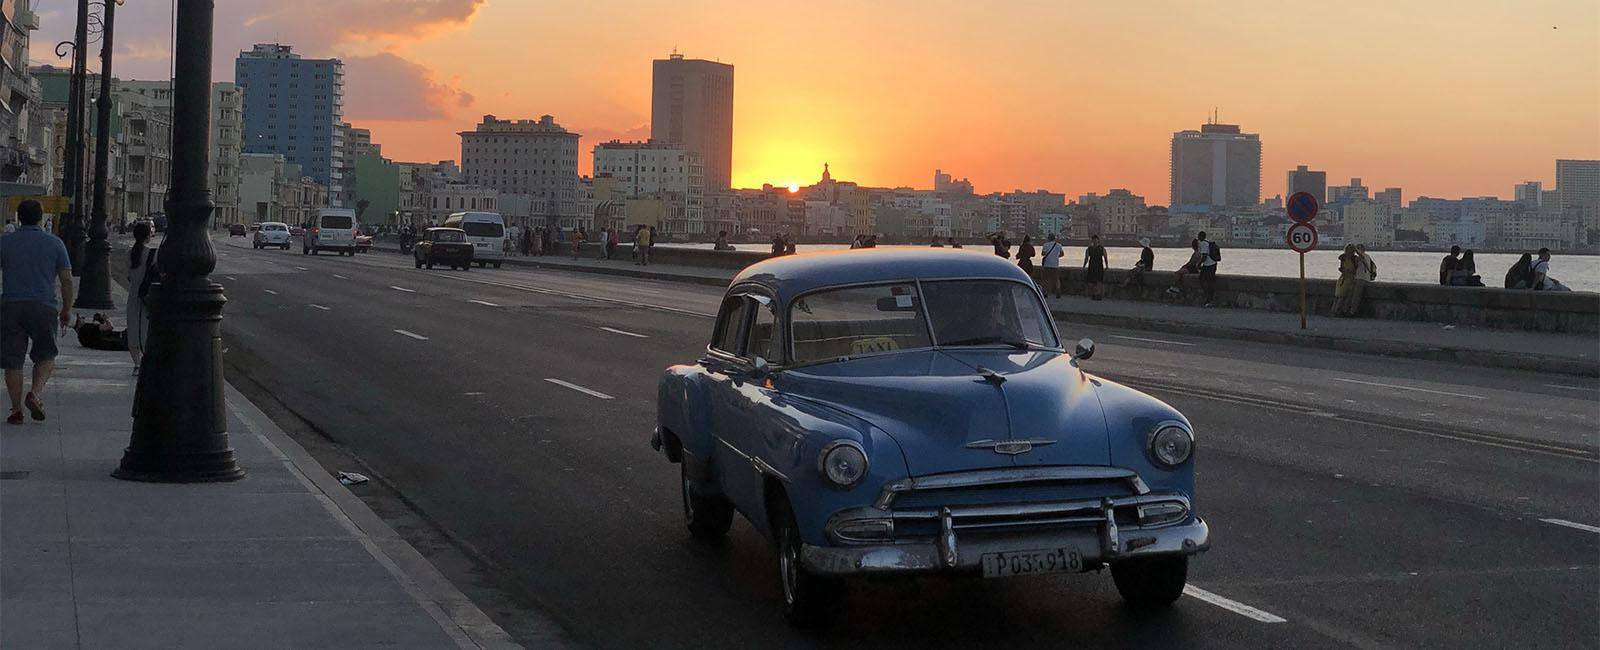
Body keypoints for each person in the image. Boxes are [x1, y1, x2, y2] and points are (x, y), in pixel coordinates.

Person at [1, 200, 74, 425]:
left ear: (19, 217)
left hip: (11, 306)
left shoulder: (5, 243)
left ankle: (15, 410)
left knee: (13, 361)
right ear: (41, 218)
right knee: (46, 356)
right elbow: (66, 280)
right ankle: (35, 394)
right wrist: (66, 310)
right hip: (44, 306)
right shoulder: (55, 244)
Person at [126, 221, 155, 373]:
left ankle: (136, 363)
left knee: (133, 328)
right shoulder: (152, 254)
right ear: (147, 236)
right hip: (146, 295)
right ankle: (145, 361)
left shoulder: (130, 253)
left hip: (133, 294)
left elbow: (129, 277)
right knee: (145, 328)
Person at [1194, 231, 1221, 306]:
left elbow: (1204, 256)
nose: (1198, 238)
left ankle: (1208, 297)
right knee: (1210, 281)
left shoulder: (1203, 243)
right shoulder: (1208, 242)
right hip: (1213, 264)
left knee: (1203, 280)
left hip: (1208, 265)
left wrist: (1199, 264)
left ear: (1201, 236)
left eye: (1199, 236)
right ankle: (1209, 298)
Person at [1332, 244, 1359, 315]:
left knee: (1343, 296)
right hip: (1344, 278)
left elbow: (1355, 269)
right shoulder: (1344, 257)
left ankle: (1338, 310)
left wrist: (1345, 271)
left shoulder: (1354, 258)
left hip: (1348, 278)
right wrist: (1344, 270)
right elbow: (1341, 268)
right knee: (1340, 296)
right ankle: (1336, 310)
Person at [1083, 234, 1107, 300]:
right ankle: (1094, 294)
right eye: (1094, 240)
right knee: (1091, 282)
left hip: (1099, 266)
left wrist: (1107, 265)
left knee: (1099, 281)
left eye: (1096, 240)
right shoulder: (1089, 249)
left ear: (1098, 240)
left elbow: (1105, 257)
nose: (1095, 241)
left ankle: (1098, 294)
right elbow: (1086, 258)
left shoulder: (1102, 248)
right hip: (1092, 266)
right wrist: (1084, 265)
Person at [1039, 234, 1064, 299]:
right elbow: (1062, 254)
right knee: (1056, 279)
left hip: (1047, 264)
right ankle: (1058, 292)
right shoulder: (1059, 245)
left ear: (1048, 238)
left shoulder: (1045, 245)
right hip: (1055, 265)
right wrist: (1056, 256)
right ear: (1054, 238)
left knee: (1046, 279)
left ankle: (1045, 293)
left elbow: (1043, 254)